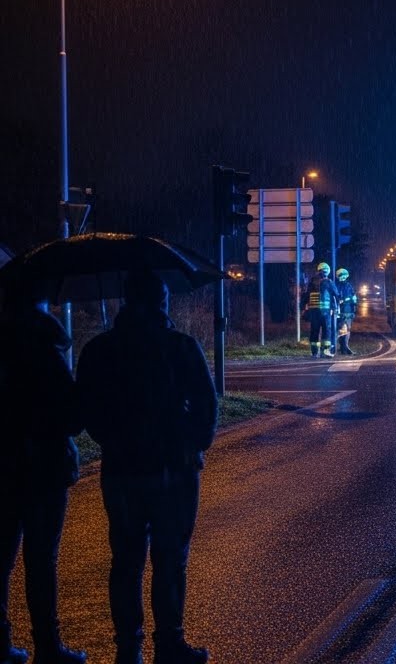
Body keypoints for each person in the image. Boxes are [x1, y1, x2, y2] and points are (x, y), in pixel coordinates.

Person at [76, 269, 218, 664]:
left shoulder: (100, 349)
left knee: (126, 558)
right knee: (170, 558)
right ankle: (169, 643)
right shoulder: (180, 346)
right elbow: (207, 404)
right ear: (162, 302)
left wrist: (115, 440)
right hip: (173, 468)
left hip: (122, 470)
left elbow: (87, 409)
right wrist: (192, 444)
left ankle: (128, 647)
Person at [0, 270, 87, 664]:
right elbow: (71, 416)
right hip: (43, 469)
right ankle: (48, 647)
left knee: (0, 559)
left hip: (3, 466)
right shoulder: (46, 347)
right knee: (40, 562)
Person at [303, 262, 339, 358]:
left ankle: (314, 352)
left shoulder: (312, 282)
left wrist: (304, 307)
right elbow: (336, 295)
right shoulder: (329, 282)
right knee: (326, 330)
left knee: (314, 330)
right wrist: (336, 308)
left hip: (314, 311)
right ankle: (325, 351)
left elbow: (306, 295)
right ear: (327, 271)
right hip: (326, 312)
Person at [334, 268, 358, 355]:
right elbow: (336, 297)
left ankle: (345, 348)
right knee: (339, 329)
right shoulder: (336, 286)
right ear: (338, 276)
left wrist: (354, 305)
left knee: (347, 330)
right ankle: (335, 348)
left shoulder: (349, 286)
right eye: (341, 276)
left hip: (348, 311)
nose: (343, 277)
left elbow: (354, 297)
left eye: (344, 275)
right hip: (339, 311)